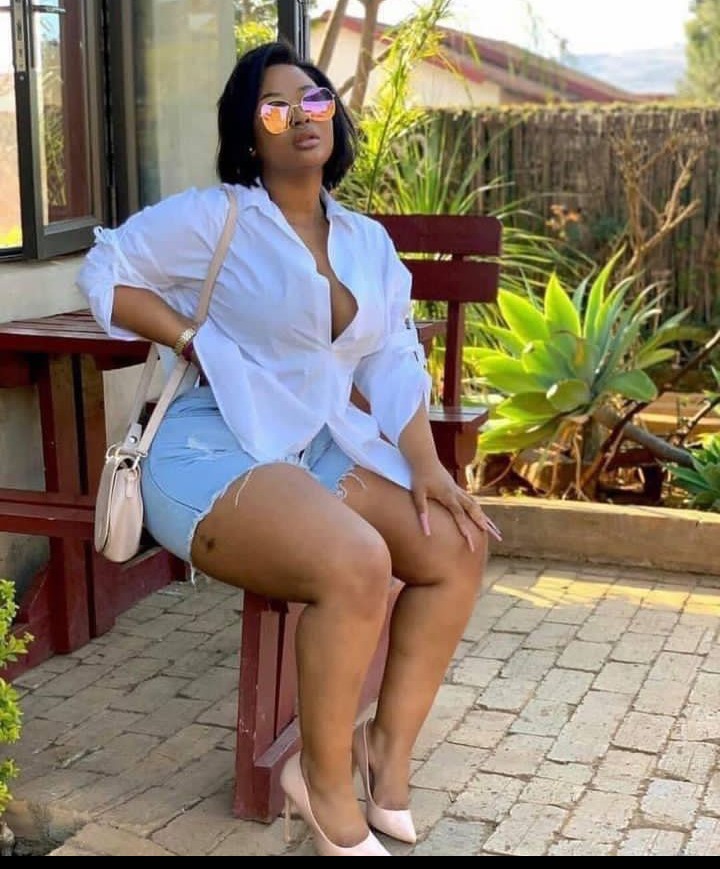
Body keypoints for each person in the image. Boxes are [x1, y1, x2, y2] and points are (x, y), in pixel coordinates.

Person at [77, 40, 501, 857]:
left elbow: (393, 359)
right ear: (250, 131)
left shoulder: (366, 242)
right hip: (212, 445)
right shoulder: (218, 218)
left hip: (312, 444)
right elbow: (105, 265)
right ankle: (321, 777)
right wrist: (188, 334)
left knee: (457, 541)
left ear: (332, 117)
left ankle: (386, 750)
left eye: (314, 99)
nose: (301, 116)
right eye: (276, 107)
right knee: (356, 562)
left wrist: (426, 464)